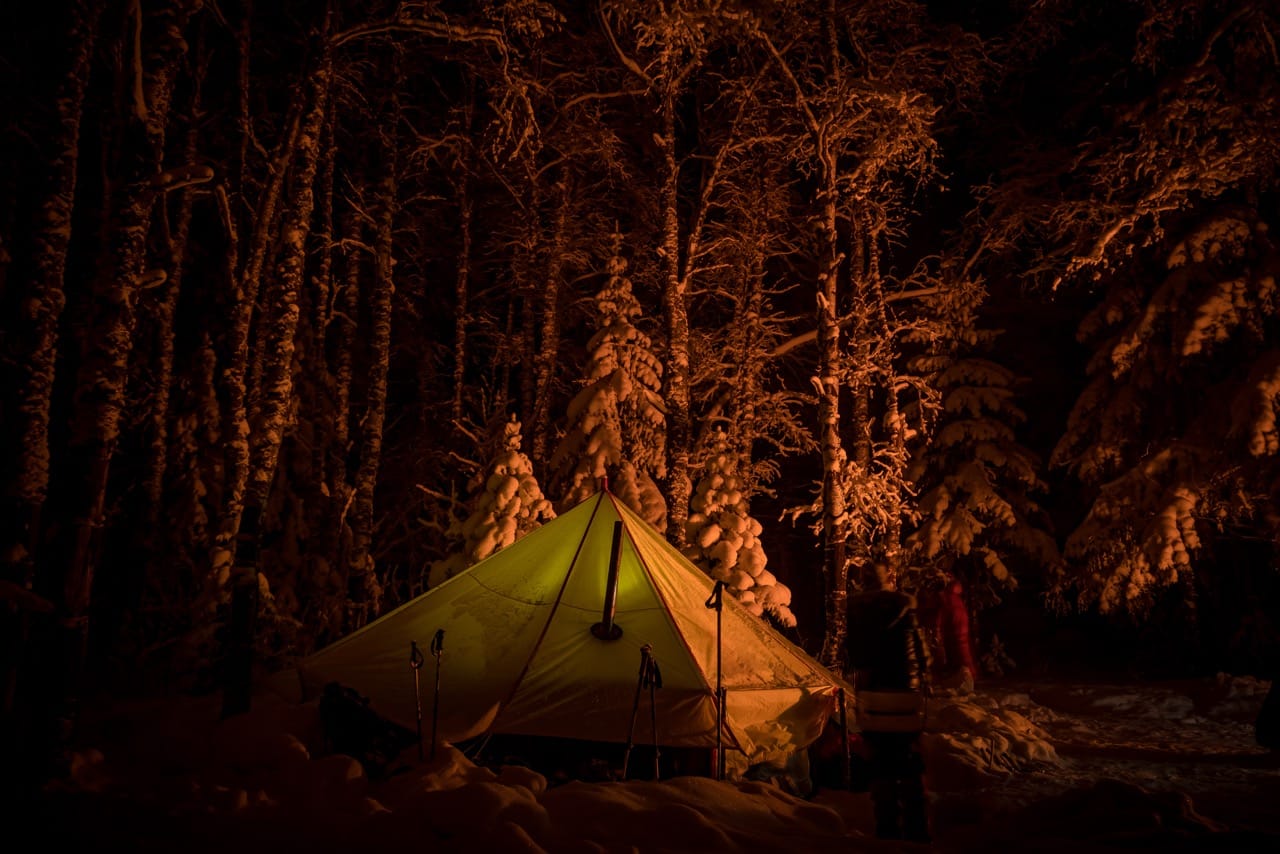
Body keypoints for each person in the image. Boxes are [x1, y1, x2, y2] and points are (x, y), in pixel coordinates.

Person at [845, 561, 932, 842]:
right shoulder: (906, 608)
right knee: (908, 756)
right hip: (906, 694)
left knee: (881, 759)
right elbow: (923, 655)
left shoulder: (857, 611)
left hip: (873, 694)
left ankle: (887, 826)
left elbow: (855, 655)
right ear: (888, 580)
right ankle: (916, 824)